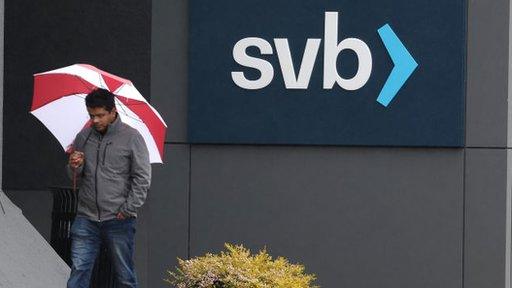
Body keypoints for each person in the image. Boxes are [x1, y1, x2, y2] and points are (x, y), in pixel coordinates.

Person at [66, 88, 151, 288]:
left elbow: (142, 178)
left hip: (118, 219)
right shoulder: (83, 136)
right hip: (86, 217)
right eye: (91, 115)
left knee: (124, 275)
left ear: (113, 112)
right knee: (79, 271)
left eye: (100, 115)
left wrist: (128, 209)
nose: (95, 120)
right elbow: (74, 177)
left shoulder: (132, 137)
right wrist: (73, 166)